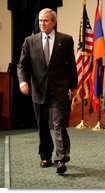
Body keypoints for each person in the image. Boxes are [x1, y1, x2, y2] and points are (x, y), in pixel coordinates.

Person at [17, 8, 78, 174]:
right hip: (38, 90)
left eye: (45, 21)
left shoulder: (65, 40)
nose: (42, 24)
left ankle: (61, 159)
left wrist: (74, 87)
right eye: (40, 21)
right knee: (42, 126)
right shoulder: (29, 41)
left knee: (59, 125)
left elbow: (71, 65)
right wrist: (23, 81)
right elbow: (22, 65)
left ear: (53, 22)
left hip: (59, 90)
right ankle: (46, 156)